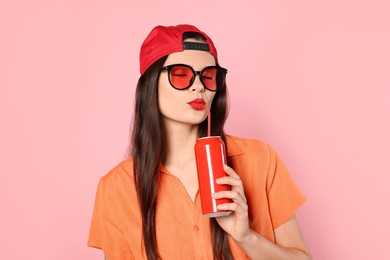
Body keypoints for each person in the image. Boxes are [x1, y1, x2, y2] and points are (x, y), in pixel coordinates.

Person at [88, 24, 311, 260]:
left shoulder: (260, 159)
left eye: (208, 76)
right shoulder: (116, 188)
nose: (199, 86)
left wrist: (246, 237)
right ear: (151, 84)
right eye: (181, 75)